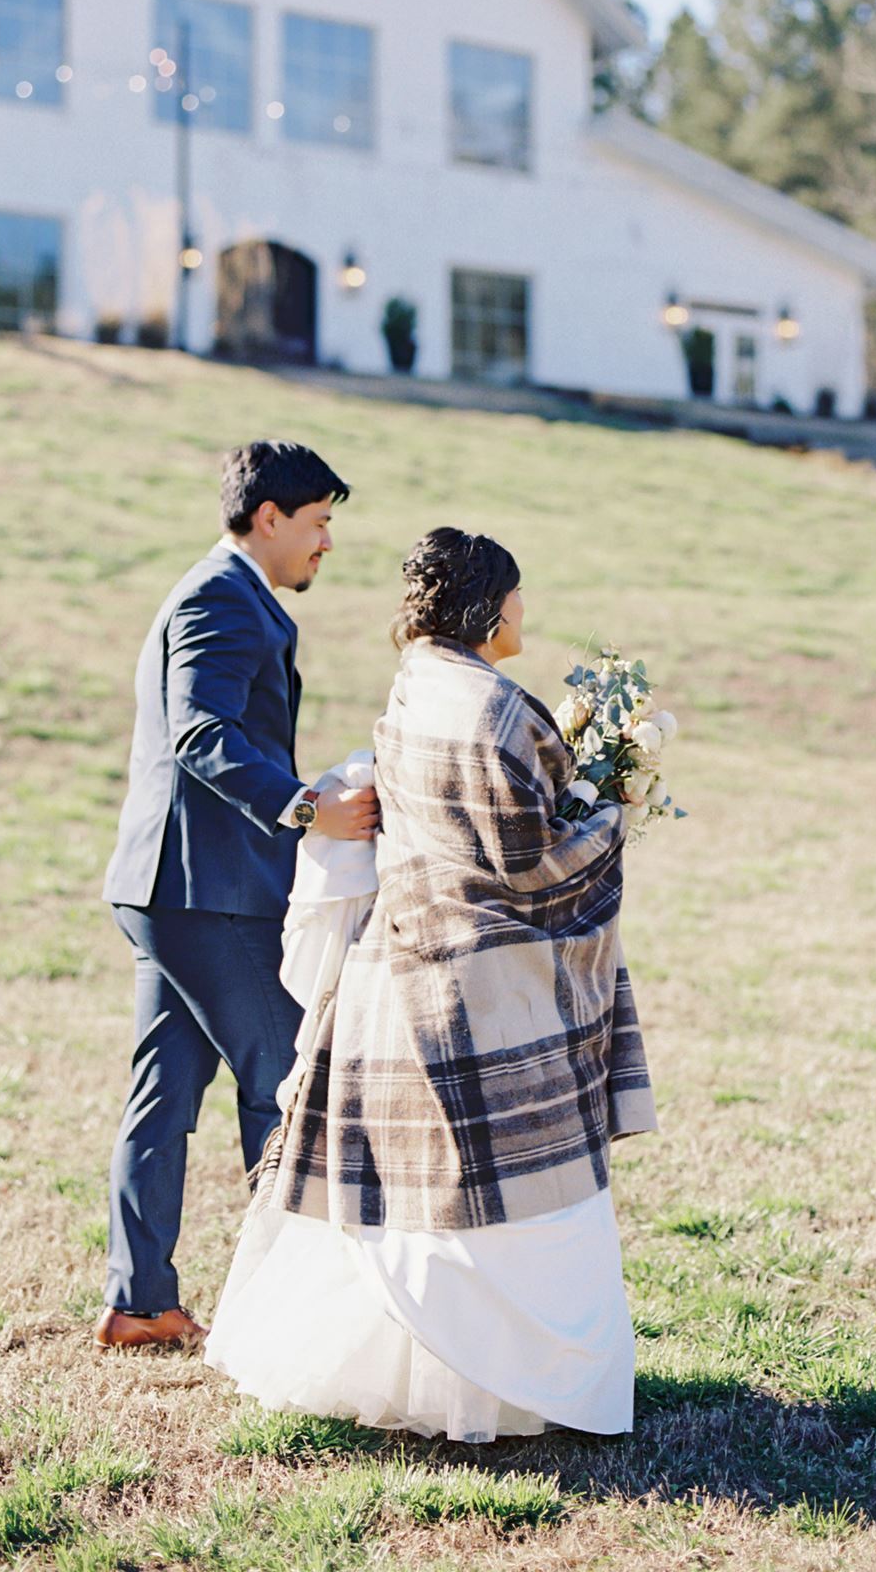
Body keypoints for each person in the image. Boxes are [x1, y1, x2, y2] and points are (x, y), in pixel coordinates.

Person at [206, 527, 657, 1438]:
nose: (526, 612)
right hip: (490, 995)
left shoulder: (416, 688)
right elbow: (529, 865)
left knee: (416, 1200)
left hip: (396, 973)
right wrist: (613, 816)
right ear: (491, 608)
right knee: (515, 1199)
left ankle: (424, 1385)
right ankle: (520, 1389)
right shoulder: (496, 709)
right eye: (519, 596)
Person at [94, 441, 379, 1351]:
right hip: (201, 889)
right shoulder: (220, 596)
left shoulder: (230, 594)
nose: (327, 542)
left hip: (174, 885)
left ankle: (143, 1304)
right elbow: (201, 731)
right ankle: (293, 1311)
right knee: (284, 1082)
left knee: (163, 1098)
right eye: (320, 521)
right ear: (270, 518)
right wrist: (306, 808)